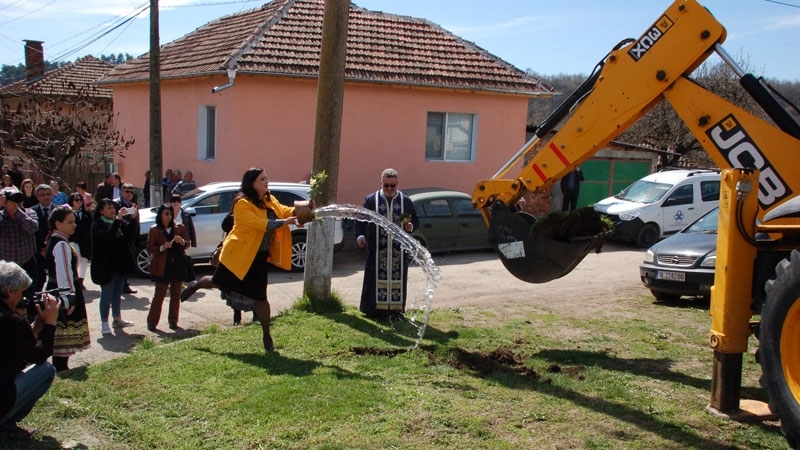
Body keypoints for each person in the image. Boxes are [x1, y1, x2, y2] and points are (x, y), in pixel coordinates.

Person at [180, 167, 298, 353]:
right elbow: (257, 224)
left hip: (258, 258)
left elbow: (285, 210)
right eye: (262, 179)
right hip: (238, 254)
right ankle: (196, 285)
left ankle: (267, 336)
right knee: (217, 282)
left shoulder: (269, 199)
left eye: (266, 178)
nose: (266, 182)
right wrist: (284, 223)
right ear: (252, 183)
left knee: (261, 297)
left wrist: (302, 209)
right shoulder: (242, 204)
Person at [0, 260, 59, 441]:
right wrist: (50, 324)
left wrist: (33, 329)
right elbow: (38, 356)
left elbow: (10, 345)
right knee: (46, 370)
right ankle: (6, 424)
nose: (23, 298)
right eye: (21, 292)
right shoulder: (12, 321)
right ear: (10, 291)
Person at [355, 168, 419, 319]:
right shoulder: (372, 200)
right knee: (373, 279)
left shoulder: (405, 202)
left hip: (398, 251)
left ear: (397, 184)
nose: (389, 189)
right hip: (377, 250)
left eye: (392, 185)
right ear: (381, 183)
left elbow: (413, 220)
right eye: (386, 185)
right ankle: (372, 310)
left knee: (398, 279)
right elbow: (360, 220)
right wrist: (360, 236)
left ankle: (395, 311)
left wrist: (411, 226)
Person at [44, 208, 91, 372]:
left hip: (57, 288)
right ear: (58, 224)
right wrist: (68, 297)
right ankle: (60, 367)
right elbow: (64, 272)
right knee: (62, 330)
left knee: (59, 331)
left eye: (74, 221)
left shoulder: (57, 240)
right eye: (70, 222)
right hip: (62, 290)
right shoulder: (61, 244)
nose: (74, 225)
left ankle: (60, 365)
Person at [90, 198, 137, 335]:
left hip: (120, 264)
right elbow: (107, 237)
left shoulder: (119, 222)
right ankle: (104, 322)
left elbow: (130, 236)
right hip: (106, 267)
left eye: (113, 208)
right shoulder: (97, 225)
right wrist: (117, 220)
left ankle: (117, 318)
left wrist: (133, 219)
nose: (112, 210)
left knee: (117, 293)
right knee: (107, 294)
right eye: (109, 208)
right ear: (101, 210)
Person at [146, 204, 191, 331]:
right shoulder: (154, 229)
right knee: (159, 295)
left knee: (176, 294)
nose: (169, 217)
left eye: (171, 214)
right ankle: (152, 322)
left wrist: (181, 241)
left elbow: (187, 244)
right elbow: (150, 248)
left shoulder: (179, 227)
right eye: (166, 214)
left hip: (177, 264)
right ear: (160, 215)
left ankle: (173, 321)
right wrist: (162, 247)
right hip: (161, 266)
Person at [0, 191, 39, 301]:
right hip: (6, 268)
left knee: (31, 297)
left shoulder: (29, 212)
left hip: (28, 263)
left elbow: (33, 228)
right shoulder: (1, 215)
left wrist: (16, 211)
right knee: (6, 298)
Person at [114, 183, 140, 295]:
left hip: (131, 237)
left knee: (128, 260)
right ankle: (119, 285)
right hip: (120, 237)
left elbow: (136, 222)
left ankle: (124, 284)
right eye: (127, 191)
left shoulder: (133, 205)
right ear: (121, 192)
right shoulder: (116, 204)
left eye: (131, 192)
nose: (129, 194)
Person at [31, 184, 54, 293]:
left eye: (48, 194)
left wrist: (50, 249)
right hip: (38, 252)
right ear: (37, 196)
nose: (46, 197)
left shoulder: (59, 210)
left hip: (55, 250)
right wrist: (41, 250)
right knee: (38, 281)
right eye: (42, 195)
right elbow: (32, 234)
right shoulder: (31, 212)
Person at [68, 193, 92, 288]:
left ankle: (81, 280)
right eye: (76, 200)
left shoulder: (86, 213)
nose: (78, 202)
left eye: (80, 200)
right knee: (76, 257)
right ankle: (75, 278)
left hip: (85, 240)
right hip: (73, 239)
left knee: (84, 260)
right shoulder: (69, 212)